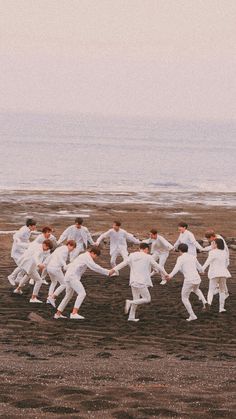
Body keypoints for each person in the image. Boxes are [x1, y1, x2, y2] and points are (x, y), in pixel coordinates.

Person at [109, 243, 167, 322]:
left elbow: (123, 263)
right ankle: (129, 302)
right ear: (146, 249)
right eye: (148, 250)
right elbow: (158, 266)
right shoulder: (148, 257)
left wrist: (113, 270)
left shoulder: (132, 255)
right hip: (141, 281)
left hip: (133, 281)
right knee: (147, 299)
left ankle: (131, 317)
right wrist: (166, 274)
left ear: (140, 248)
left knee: (136, 299)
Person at [54, 247, 110, 319]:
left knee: (68, 296)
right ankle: (74, 313)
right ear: (92, 253)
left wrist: (66, 267)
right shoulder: (87, 257)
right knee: (82, 293)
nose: (95, 258)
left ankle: (57, 314)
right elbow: (94, 267)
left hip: (68, 276)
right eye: (96, 256)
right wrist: (107, 272)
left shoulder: (82, 256)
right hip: (72, 277)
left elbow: (73, 263)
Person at [166, 243, 207, 321]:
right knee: (196, 290)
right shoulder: (193, 257)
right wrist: (202, 271)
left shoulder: (180, 258)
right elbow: (199, 267)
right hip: (197, 279)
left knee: (184, 298)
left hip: (189, 280)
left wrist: (170, 276)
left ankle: (192, 315)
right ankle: (204, 301)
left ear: (180, 250)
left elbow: (176, 268)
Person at [202, 238, 231, 313]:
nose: (211, 244)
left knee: (211, 290)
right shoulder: (224, 252)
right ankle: (221, 308)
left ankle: (209, 303)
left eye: (213, 243)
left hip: (214, 273)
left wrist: (202, 269)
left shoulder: (212, 252)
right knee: (222, 291)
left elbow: (207, 262)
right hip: (223, 273)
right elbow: (226, 263)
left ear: (216, 244)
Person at [46, 240, 76, 307]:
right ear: (69, 245)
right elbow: (60, 257)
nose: (72, 249)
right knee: (64, 284)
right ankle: (52, 297)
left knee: (53, 282)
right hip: (55, 268)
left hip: (49, 267)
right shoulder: (65, 250)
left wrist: (45, 263)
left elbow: (52, 255)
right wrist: (64, 265)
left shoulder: (61, 248)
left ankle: (49, 298)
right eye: (72, 247)